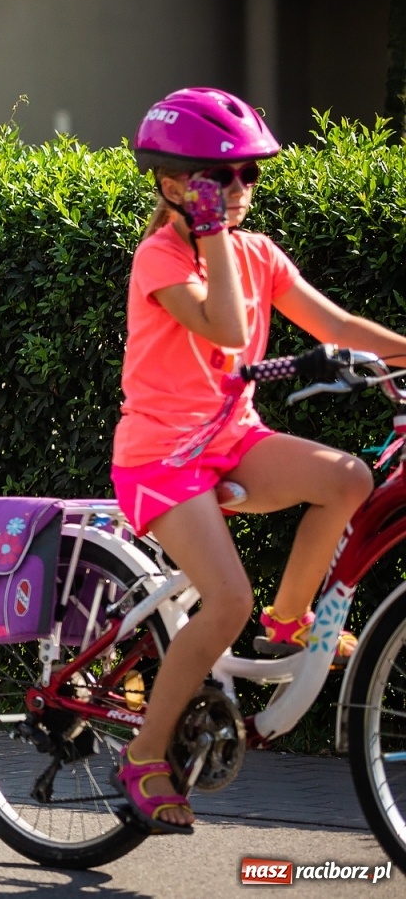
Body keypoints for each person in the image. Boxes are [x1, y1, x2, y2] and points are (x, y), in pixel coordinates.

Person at [109, 86, 406, 834]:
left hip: (228, 437)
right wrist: (209, 233)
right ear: (175, 185)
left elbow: (335, 323)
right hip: (159, 459)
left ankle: (291, 618)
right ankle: (146, 753)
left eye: (250, 176)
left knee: (347, 478)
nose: (242, 190)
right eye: (224, 177)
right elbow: (228, 326)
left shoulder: (256, 251)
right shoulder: (161, 256)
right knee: (225, 600)